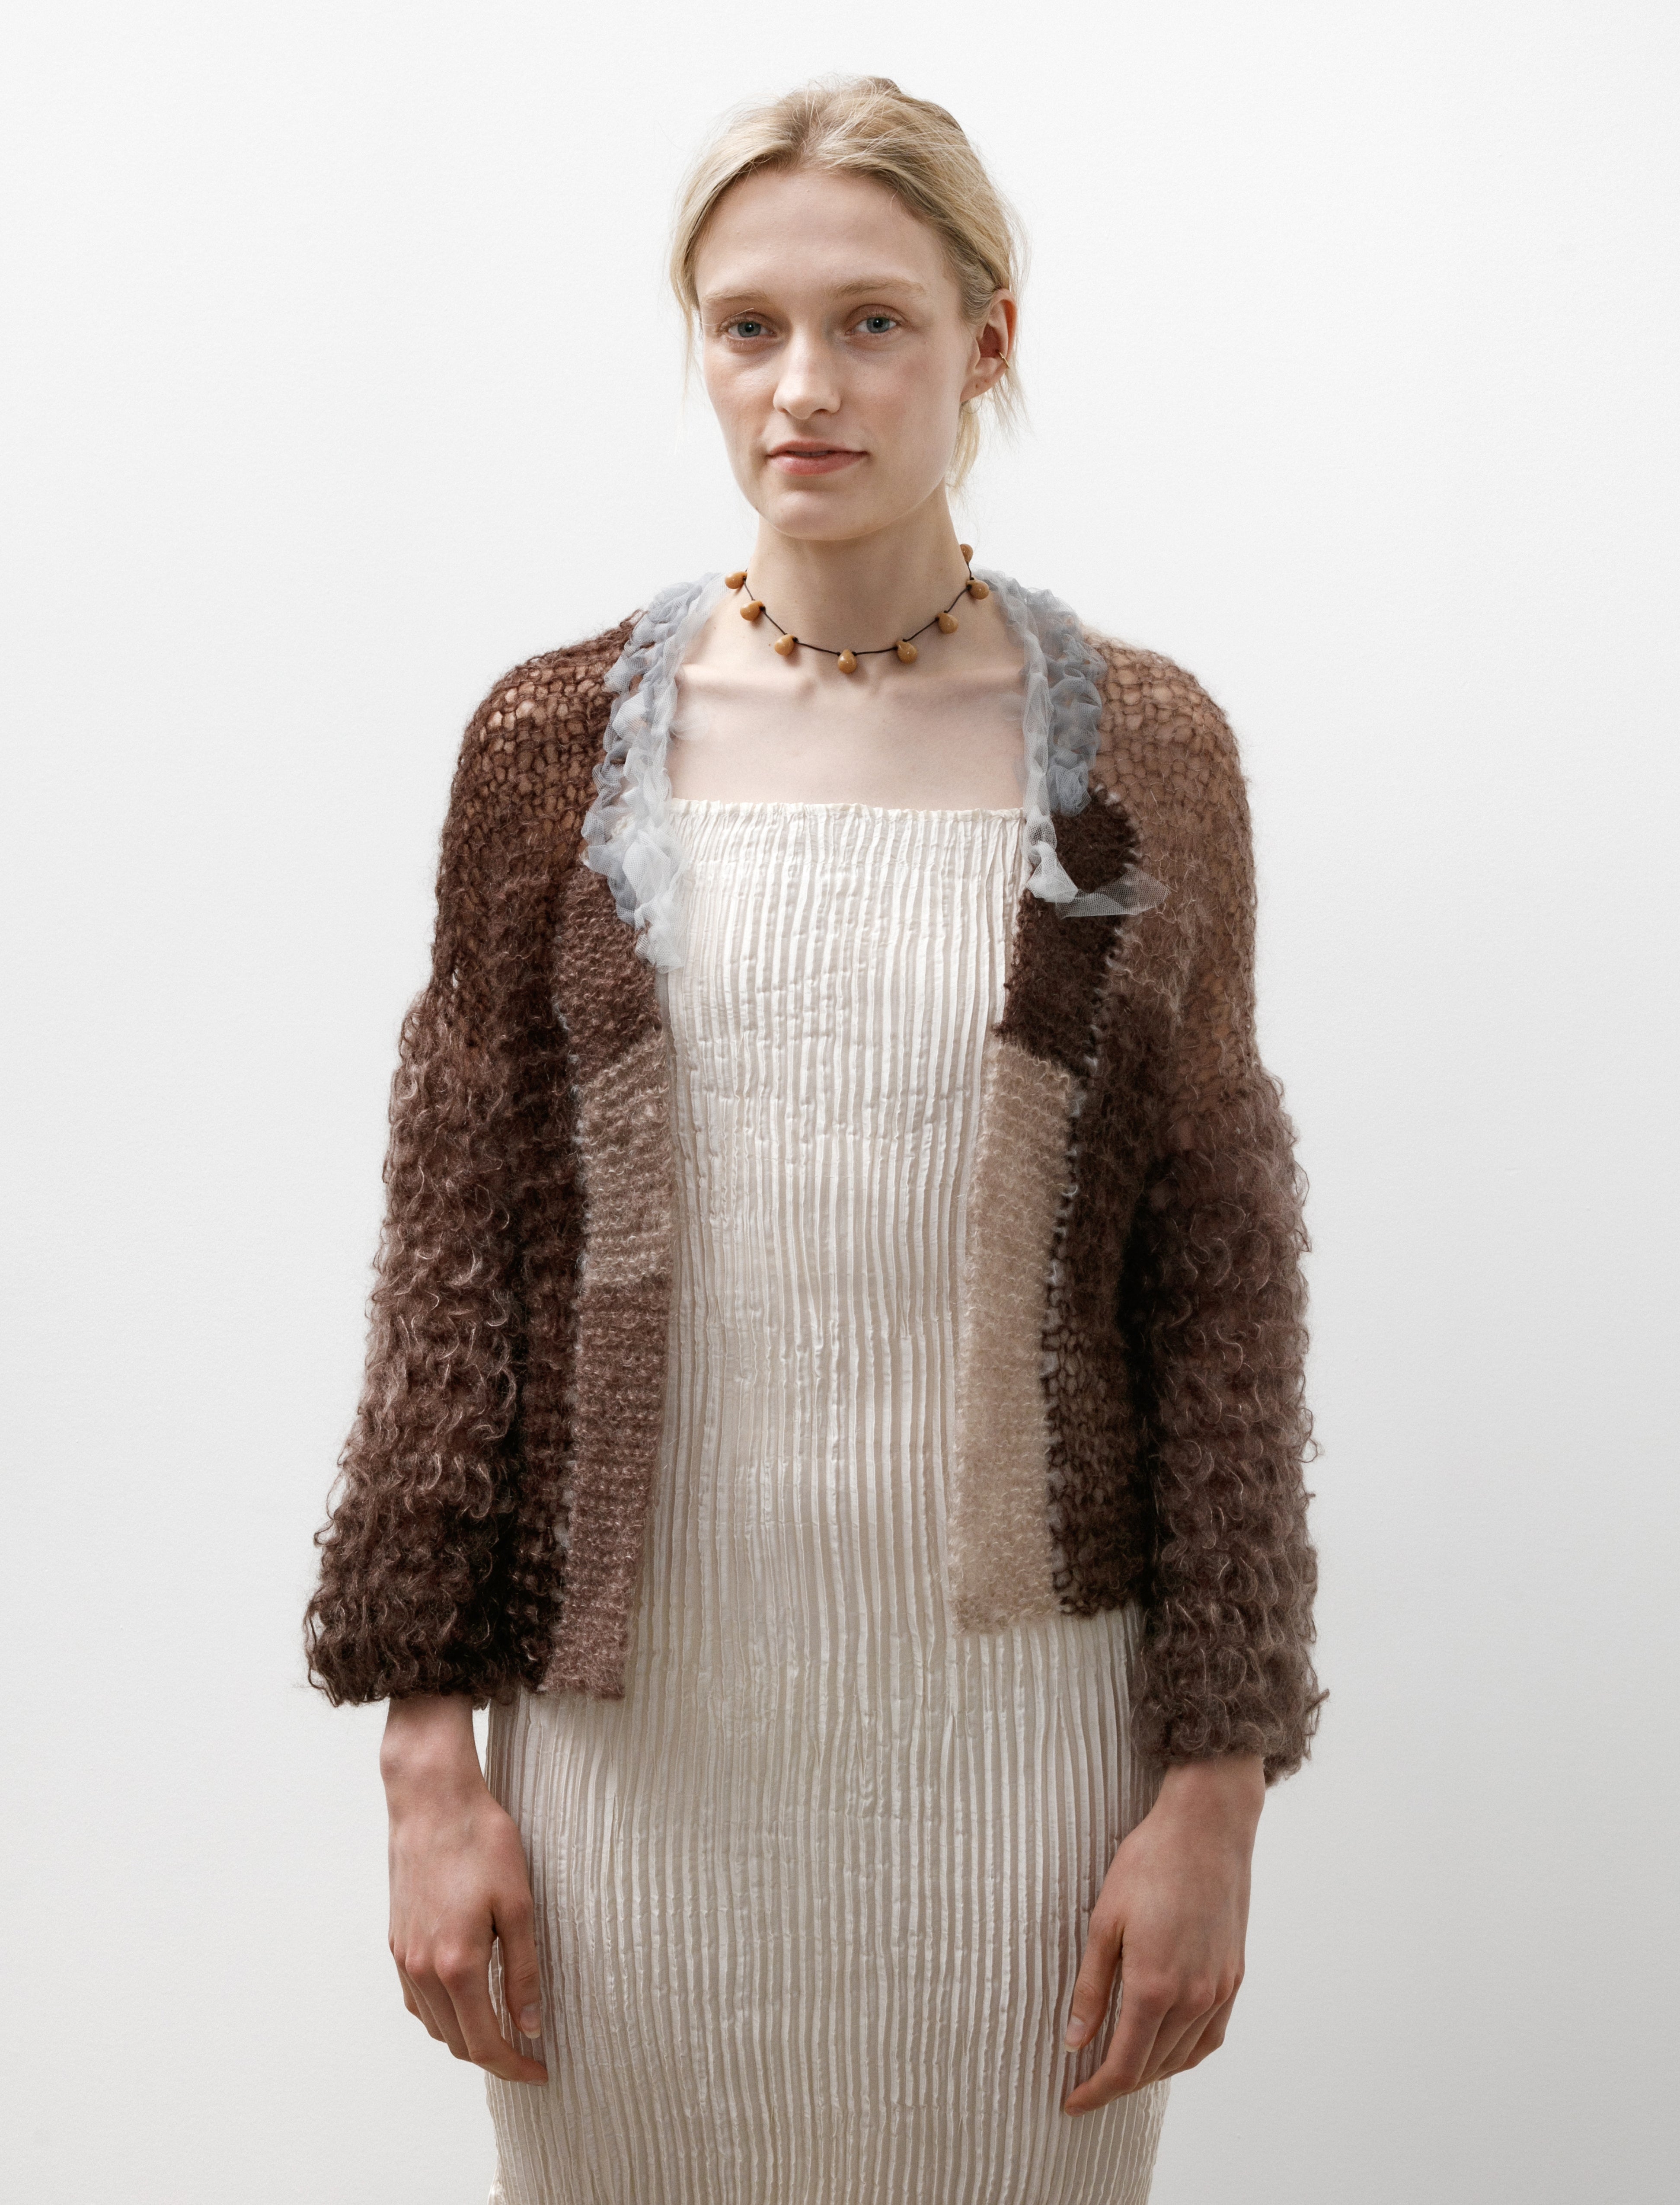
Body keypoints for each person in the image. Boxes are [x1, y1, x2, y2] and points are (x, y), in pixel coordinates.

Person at [305, 74, 1323, 2205]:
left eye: (873, 322)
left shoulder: (1145, 760)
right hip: (633, 1758)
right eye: (748, 326)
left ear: (988, 340)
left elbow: (1220, 1300)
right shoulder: (549, 752)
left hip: (1028, 1769)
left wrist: (1214, 1790)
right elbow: (453, 1274)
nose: (804, 388)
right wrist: (427, 1763)